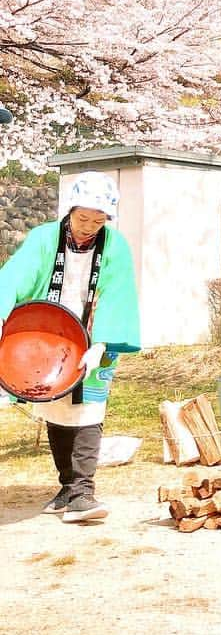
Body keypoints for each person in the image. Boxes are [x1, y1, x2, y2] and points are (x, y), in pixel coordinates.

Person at [0, 172, 140, 523]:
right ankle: (67, 486)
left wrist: (102, 343)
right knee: (57, 409)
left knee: (90, 410)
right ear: (69, 210)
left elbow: (118, 293)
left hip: (95, 336)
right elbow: (14, 277)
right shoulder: (44, 238)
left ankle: (83, 492)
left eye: (98, 220)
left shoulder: (115, 245)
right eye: (83, 218)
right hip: (48, 338)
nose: (89, 226)